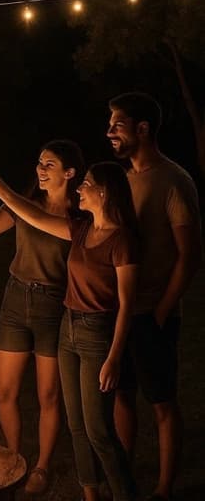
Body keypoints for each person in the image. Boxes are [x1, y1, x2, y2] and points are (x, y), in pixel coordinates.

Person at [0, 162, 139, 501]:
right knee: (77, 425)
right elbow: (35, 217)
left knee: (99, 429)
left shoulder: (122, 240)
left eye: (86, 184)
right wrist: (0, 191)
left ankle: (125, 493)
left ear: (104, 192)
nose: (80, 189)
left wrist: (114, 358)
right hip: (68, 329)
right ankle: (90, 494)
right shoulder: (81, 230)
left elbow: (127, 306)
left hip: (98, 333)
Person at [0, 139, 85, 496]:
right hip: (15, 299)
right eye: (39, 162)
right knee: (4, 392)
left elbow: (37, 219)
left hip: (54, 304)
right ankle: (15, 457)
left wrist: (1, 189)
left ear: (69, 173)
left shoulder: (81, 214)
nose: (40, 169)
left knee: (48, 395)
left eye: (49, 164)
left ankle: (42, 466)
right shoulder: (27, 202)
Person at [107, 92, 202, 501]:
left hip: (154, 314)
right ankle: (125, 472)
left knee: (161, 402)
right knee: (122, 394)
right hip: (121, 312)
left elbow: (190, 255)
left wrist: (163, 310)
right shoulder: (123, 180)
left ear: (143, 129)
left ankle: (165, 487)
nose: (109, 131)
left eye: (117, 124)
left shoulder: (174, 180)